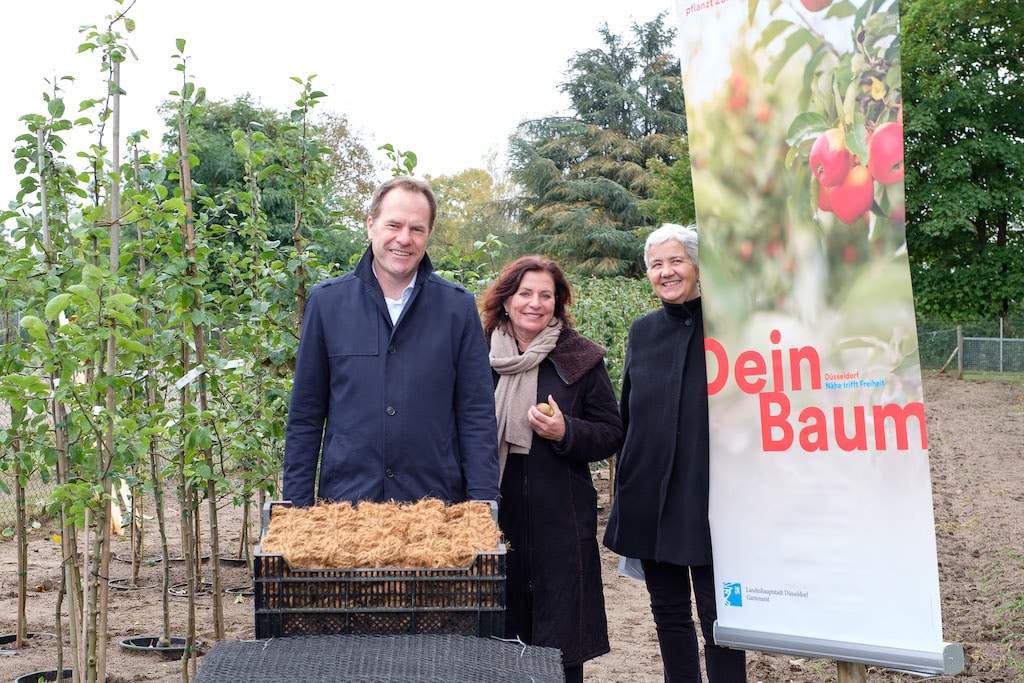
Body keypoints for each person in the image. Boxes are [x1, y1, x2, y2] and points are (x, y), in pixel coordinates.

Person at [283, 176, 500, 507]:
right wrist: (295, 510)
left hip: (433, 508)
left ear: (428, 235)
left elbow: (476, 414)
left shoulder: (457, 308)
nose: (404, 239)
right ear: (371, 226)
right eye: (393, 225)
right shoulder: (327, 304)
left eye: (417, 229)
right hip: (348, 508)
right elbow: (306, 415)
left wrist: (483, 506)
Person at [603, 223, 747, 683]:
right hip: (649, 495)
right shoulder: (642, 332)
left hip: (710, 497)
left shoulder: (729, 326)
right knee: (667, 613)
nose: (666, 272)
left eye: (676, 261)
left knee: (719, 618)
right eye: (656, 264)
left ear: (698, 266)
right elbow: (628, 413)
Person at [480, 255, 623, 683]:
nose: (535, 303)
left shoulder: (580, 358)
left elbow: (611, 432)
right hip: (493, 510)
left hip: (560, 513)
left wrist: (566, 431)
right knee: (497, 628)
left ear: (557, 303)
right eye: (525, 293)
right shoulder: (477, 354)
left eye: (546, 295)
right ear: (506, 301)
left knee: (560, 636)